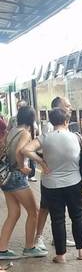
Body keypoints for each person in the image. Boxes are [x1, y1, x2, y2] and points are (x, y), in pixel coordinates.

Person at [22, 107, 82, 263]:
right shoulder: (76, 137)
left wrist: (41, 162)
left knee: (57, 218)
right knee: (77, 216)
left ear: (51, 121)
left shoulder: (45, 137)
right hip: (73, 183)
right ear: (66, 121)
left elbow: (25, 149)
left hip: (51, 184)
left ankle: (60, 255)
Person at [0, 106, 47, 259]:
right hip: (17, 177)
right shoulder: (25, 133)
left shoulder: (11, 130)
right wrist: (22, 166)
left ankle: (2, 249)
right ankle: (29, 247)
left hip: (5, 177)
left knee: (14, 213)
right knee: (34, 212)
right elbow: (20, 150)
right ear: (32, 119)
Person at [34, 95, 76, 250]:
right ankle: (38, 237)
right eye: (67, 105)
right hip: (51, 177)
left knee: (59, 210)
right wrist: (43, 163)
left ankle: (59, 238)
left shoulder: (65, 125)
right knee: (45, 208)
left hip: (64, 177)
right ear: (58, 107)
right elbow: (37, 149)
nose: (70, 107)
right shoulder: (49, 128)